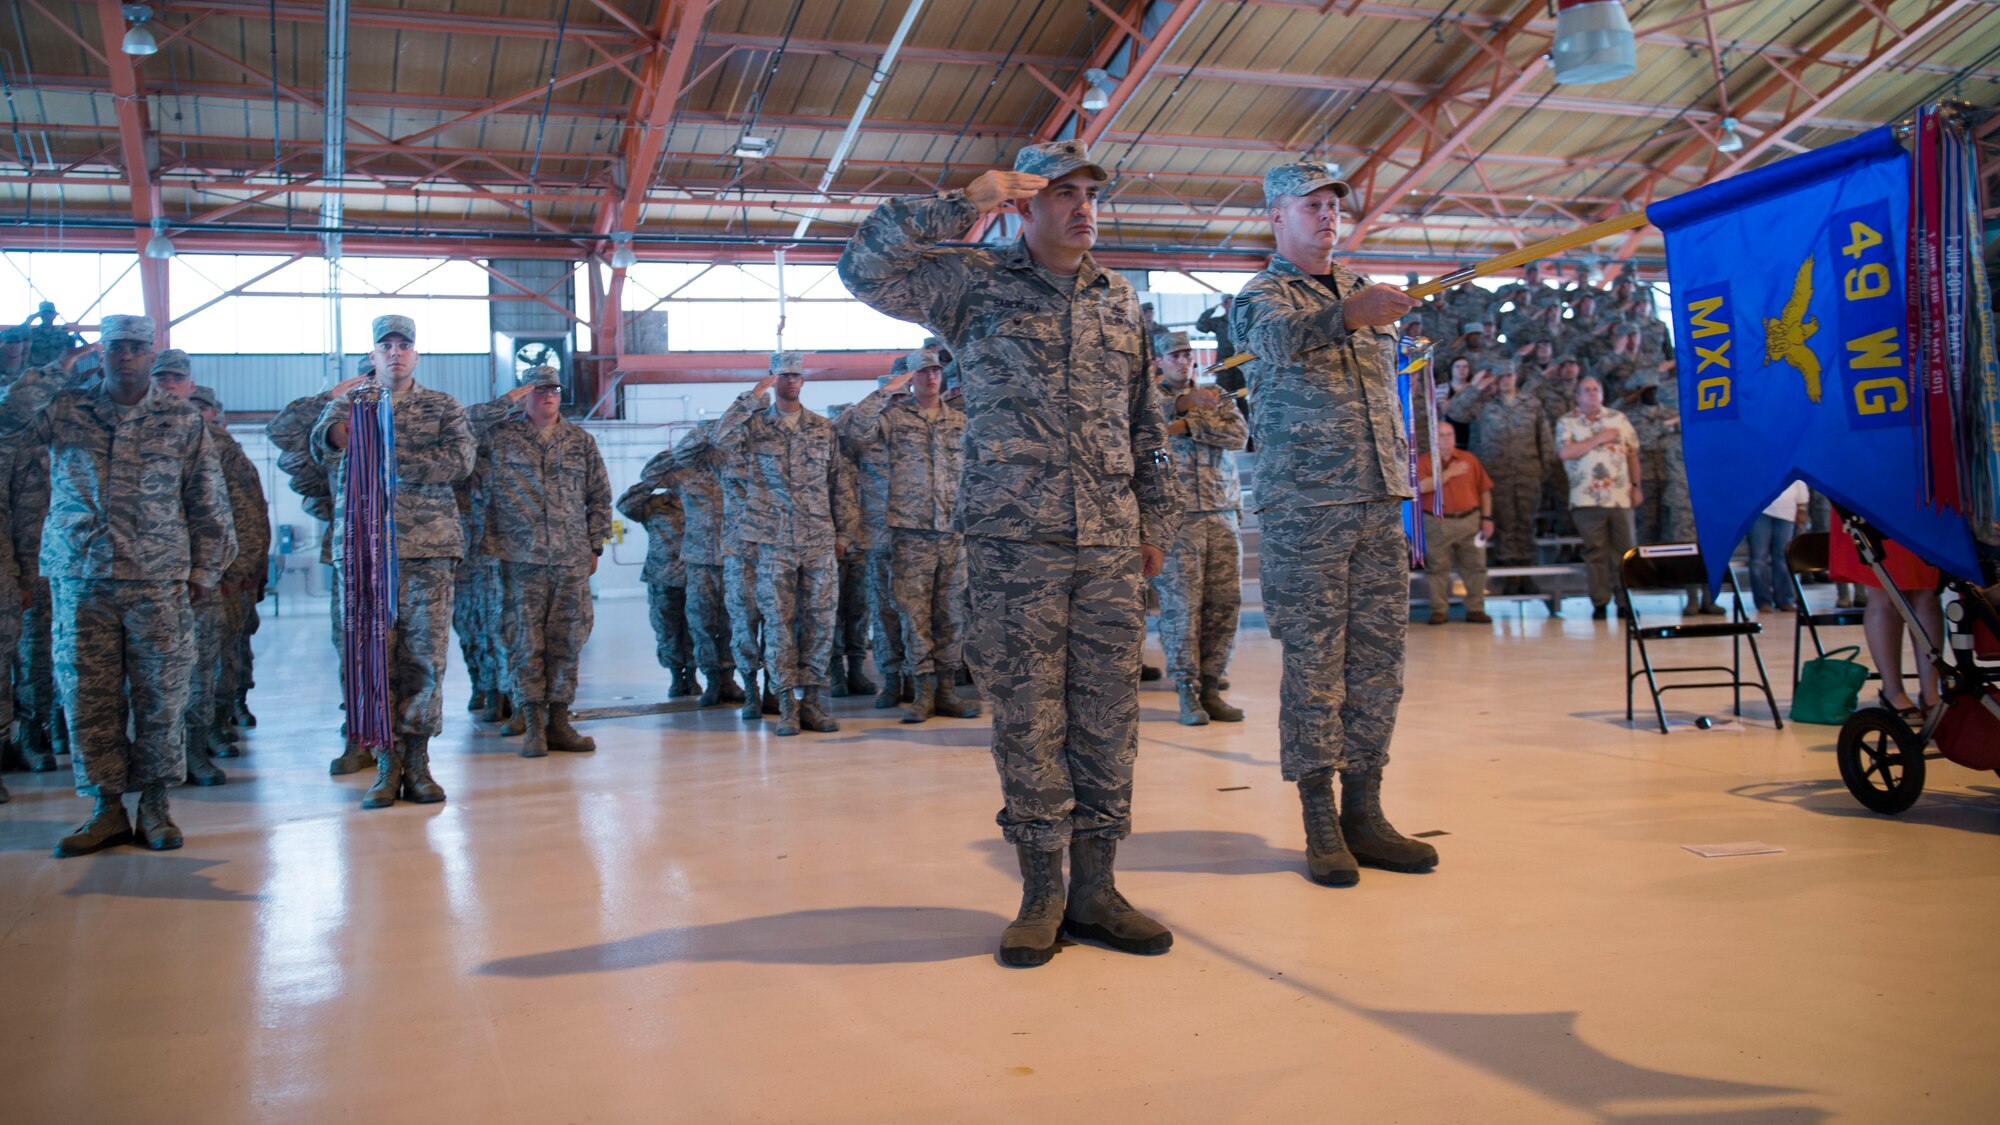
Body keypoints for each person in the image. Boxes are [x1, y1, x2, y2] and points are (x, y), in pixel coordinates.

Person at [840, 139, 1183, 967]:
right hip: (1010, 543)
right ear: (1023, 206)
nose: (1081, 206)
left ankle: (1097, 889)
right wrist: (964, 203)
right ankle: (1041, 891)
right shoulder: (972, 283)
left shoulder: (1118, 297)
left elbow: (1145, 413)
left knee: (1109, 719)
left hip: (1105, 539)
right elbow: (864, 268)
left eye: (1089, 192)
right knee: (1030, 719)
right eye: (1060, 192)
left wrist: (1155, 519)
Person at [1230, 162, 1438, 890]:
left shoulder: (1361, 290)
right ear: (1277, 217)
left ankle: (1367, 810)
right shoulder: (1260, 296)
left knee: (1378, 664)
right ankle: (1320, 817)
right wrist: (1351, 316)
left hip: (1380, 502)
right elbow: (1276, 343)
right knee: (1315, 666)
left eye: (1333, 206)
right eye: (1311, 205)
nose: (1327, 216)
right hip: (1306, 510)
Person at [0, 315, 235, 855]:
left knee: (161, 696)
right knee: (89, 697)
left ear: (151, 355)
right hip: (82, 578)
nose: (125, 357)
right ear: (100, 353)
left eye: (135, 348)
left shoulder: (181, 419)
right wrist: (54, 369)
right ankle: (105, 807)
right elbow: (8, 420)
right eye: (115, 348)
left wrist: (205, 570)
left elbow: (207, 499)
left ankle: (154, 805)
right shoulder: (65, 409)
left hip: (158, 580)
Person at [312, 315, 476, 808]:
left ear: (417, 355)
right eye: (386, 346)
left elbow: (460, 462)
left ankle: (419, 763)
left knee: (425, 660)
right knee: (373, 662)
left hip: (428, 551)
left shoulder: (443, 406)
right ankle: (385, 765)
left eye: (405, 345)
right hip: (366, 555)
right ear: (372, 355)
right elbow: (325, 445)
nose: (396, 353)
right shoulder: (348, 406)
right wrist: (353, 435)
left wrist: (386, 455)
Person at [710, 352, 856, 736]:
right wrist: (750, 397)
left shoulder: (823, 429)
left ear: (804, 381)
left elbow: (839, 483)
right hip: (772, 542)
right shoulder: (755, 426)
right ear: (773, 379)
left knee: (821, 623)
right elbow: (720, 438)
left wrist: (844, 533)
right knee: (778, 625)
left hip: (818, 540)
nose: (790, 381)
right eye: (783, 375)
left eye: (796, 375)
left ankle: (812, 703)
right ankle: (787, 704)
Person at [835, 346, 982, 724]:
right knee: (914, 615)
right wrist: (886, 391)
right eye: (923, 372)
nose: (932, 377)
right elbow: (851, 429)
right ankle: (923, 689)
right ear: (911, 378)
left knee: (950, 614)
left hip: (952, 532)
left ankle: (947, 689)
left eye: (935, 371)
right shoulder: (894, 418)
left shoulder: (960, 421)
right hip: (910, 532)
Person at [474, 365, 612, 756]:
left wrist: (595, 545)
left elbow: (599, 496)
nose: (548, 395)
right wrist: (504, 404)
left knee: (567, 640)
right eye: (539, 389)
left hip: (569, 558)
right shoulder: (499, 437)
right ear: (524, 394)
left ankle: (559, 721)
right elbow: (462, 424)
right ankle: (532, 722)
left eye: (553, 389)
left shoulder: (579, 440)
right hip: (519, 558)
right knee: (523, 641)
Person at [1152, 330, 1248, 725]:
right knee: (1180, 610)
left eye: (1187, 353)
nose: (1182, 360)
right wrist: (1180, 411)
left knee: (1224, 605)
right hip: (1178, 519)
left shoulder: (1215, 395)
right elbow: (1148, 430)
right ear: (1158, 361)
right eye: (1174, 355)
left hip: (1222, 512)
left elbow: (1239, 435)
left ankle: (1211, 685)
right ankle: (1186, 690)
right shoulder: (1146, 400)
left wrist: (1191, 427)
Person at [0, 323, 60, 776]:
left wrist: (25, 568)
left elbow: (24, 502)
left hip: (30, 555)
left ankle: (26, 737)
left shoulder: (22, 432)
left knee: (27, 653)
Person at [1445, 362, 1554, 593]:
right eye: (1501, 376)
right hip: (1496, 475)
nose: (1506, 380)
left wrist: (1544, 469)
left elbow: (1544, 438)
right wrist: (1478, 386)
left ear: (1516, 377)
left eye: (1509, 375)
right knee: (1504, 523)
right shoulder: (1483, 404)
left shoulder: (1531, 403)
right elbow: (1455, 411)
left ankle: (1526, 571)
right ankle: (1510, 573)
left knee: (1526, 522)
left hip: (1527, 472)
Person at [1829, 517, 1942, 720]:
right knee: (1885, 592)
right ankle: (1893, 691)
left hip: (1920, 500)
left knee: (1929, 593)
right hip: (1874, 501)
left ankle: (1931, 691)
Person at [663, 425, 744, 707]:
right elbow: (649, 474)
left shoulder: (735, 469)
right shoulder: (684, 473)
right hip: (698, 561)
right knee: (701, 623)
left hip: (733, 557)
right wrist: (701, 433)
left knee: (733, 622)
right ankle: (710, 679)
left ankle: (729, 679)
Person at [1555, 375, 1642, 620]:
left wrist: (1636, 485)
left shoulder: (1618, 419)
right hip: (1586, 500)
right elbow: (1565, 452)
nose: (1592, 394)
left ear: (1602, 394)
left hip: (1620, 497)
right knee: (1596, 553)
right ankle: (1600, 602)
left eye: (1596, 389)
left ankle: (1625, 602)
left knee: (1625, 552)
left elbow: (1632, 454)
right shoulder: (1567, 422)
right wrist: (1598, 439)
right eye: (1587, 390)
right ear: (1578, 396)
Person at [619, 452, 699, 699]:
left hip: (697, 577)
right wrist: (652, 480)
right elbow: (624, 504)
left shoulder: (702, 500)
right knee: (667, 629)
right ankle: (676, 676)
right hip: (662, 576)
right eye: (672, 473)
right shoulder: (653, 505)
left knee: (698, 628)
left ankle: (694, 675)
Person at [1415, 423, 1494, 625]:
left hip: (1469, 521)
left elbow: (1484, 490)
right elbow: (1421, 487)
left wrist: (1487, 518)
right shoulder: (1423, 462)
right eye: (1441, 435)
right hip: (1437, 523)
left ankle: (1476, 608)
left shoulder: (1469, 460)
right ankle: (1439, 610)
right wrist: (1449, 473)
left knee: (1475, 566)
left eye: (1450, 435)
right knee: (1437, 568)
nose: (1446, 439)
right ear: (1434, 438)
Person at [1747, 480, 1810, 613]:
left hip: (1787, 512)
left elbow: (1799, 480)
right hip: (1758, 510)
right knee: (1758, 558)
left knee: (1783, 557)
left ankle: (1785, 600)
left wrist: (1802, 509)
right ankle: (1763, 601)